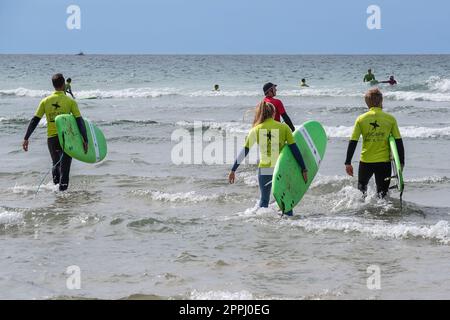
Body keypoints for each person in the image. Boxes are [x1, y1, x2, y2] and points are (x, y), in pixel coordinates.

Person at [228, 101, 308, 216]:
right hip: (281, 168)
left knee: (264, 201)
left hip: (265, 168)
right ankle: (289, 224)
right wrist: (303, 168)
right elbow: (295, 150)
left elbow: (245, 151)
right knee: (286, 201)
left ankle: (261, 226)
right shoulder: (284, 127)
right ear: (273, 113)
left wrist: (233, 170)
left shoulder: (256, 129)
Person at [22, 73, 88, 191]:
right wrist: (85, 139)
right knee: (65, 168)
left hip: (51, 138)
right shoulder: (70, 101)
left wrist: (26, 138)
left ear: (53, 85)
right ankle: (62, 196)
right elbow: (79, 121)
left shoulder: (45, 101)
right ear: (63, 85)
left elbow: (35, 120)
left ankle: (56, 192)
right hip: (66, 139)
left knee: (55, 164)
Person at [345, 88, 405, 198]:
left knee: (361, 191)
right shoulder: (390, 119)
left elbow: (353, 141)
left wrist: (348, 162)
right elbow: (398, 141)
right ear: (381, 101)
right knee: (383, 194)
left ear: (366, 103)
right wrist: (401, 162)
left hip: (366, 162)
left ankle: (360, 213)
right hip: (384, 163)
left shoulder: (361, 119)